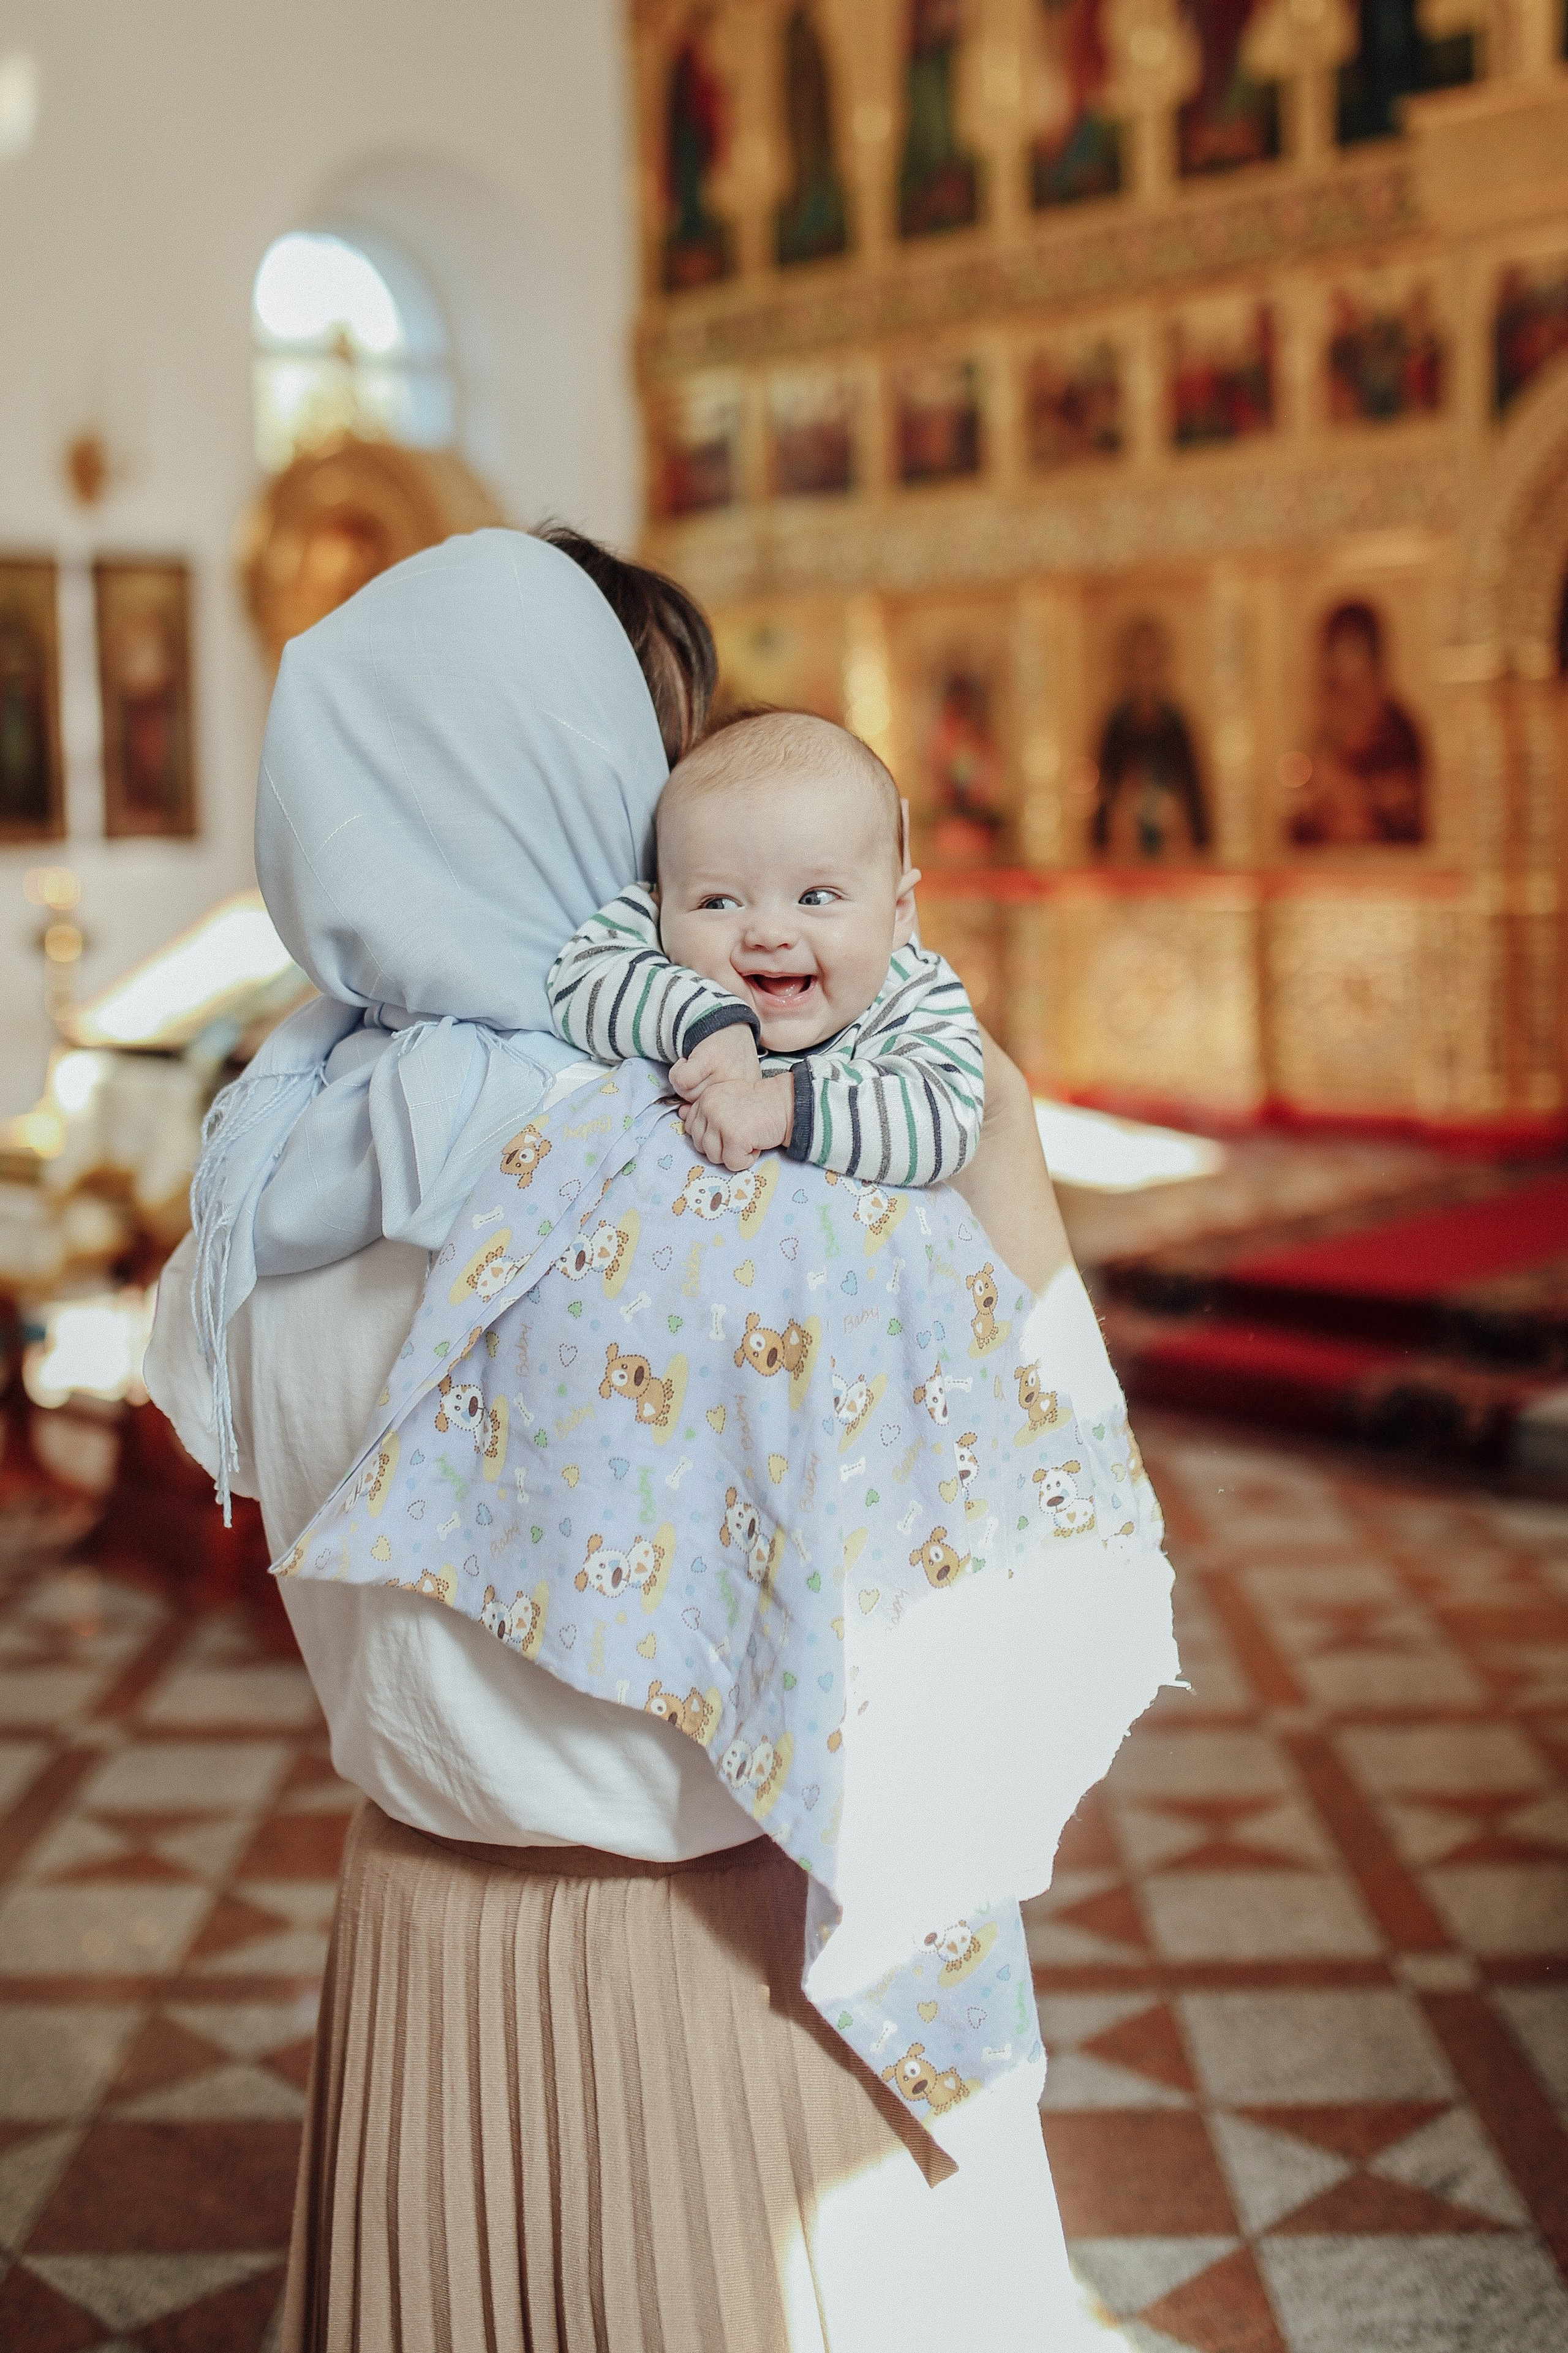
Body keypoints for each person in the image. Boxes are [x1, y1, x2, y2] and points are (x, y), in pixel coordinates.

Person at [148, 526, 1166, 2351]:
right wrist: (1001, 1171)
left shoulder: (261, 1166)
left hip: (414, 1938)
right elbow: (1018, 1549)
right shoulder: (699, 1160)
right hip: (728, 1980)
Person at [547, 708, 982, 1179]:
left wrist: (783, 1107)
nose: (770, 935)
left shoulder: (912, 992)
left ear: (898, 914)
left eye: (815, 898)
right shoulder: (659, 941)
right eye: (719, 903)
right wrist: (709, 1024)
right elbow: (578, 979)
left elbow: (947, 1118)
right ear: (661, 906)